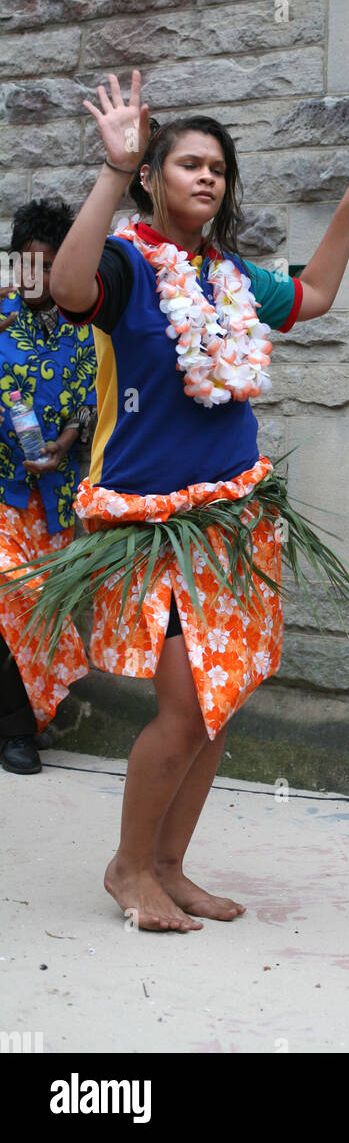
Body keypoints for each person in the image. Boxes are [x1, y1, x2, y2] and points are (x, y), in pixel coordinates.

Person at [42, 70, 349, 931]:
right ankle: (127, 867)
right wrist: (110, 170)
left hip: (232, 521)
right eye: (187, 165)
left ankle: (170, 867)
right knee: (181, 704)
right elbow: (65, 287)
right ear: (153, 178)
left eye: (218, 168)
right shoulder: (130, 268)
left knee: (214, 707)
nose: (206, 177)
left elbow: (313, 297)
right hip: (152, 523)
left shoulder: (234, 279)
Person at [0, 199, 96, 775]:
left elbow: (91, 395)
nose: (36, 278)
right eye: (26, 265)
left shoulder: (87, 328)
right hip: (1, 488)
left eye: (50, 265)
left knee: (37, 614)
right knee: (11, 591)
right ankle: (16, 731)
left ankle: (23, 725)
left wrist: (65, 438)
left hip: (54, 498)